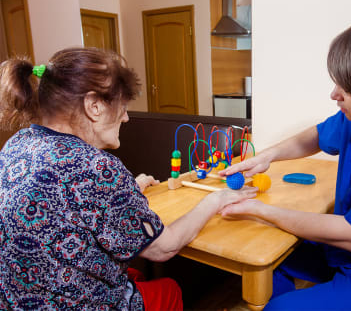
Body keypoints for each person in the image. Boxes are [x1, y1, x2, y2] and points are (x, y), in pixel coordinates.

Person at [0, 47, 258, 310]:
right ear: (94, 106)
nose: (126, 117)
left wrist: (128, 189)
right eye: (122, 107)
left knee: (135, 275)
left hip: (16, 301)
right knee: (169, 289)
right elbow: (163, 249)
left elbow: (58, 203)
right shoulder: (97, 167)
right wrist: (215, 200)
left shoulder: (18, 143)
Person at [219, 12, 351, 310]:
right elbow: (315, 136)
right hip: (344, 254)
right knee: (264, 256)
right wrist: (266, 156)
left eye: (347, 88)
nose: (333, 94)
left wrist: (261, 210)